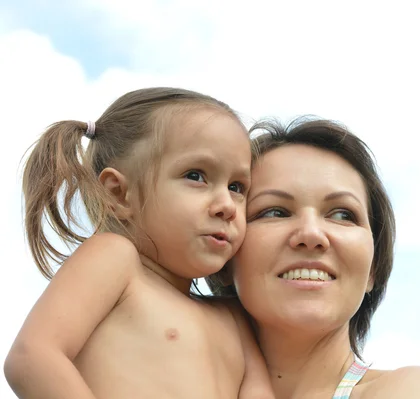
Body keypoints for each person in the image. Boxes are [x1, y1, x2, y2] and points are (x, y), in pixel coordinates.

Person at [4, 87, 274, 399]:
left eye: (237, 186)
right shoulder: (116, 259)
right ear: (118, 194)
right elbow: (33, 357)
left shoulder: (235, 320)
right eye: (196, 176)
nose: (227, 204)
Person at [208, 118, 420, 398]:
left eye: (342, 215)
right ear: (224, 255)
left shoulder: (413, 390)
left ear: (373, 268)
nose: (311, 234)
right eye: (275, 212)